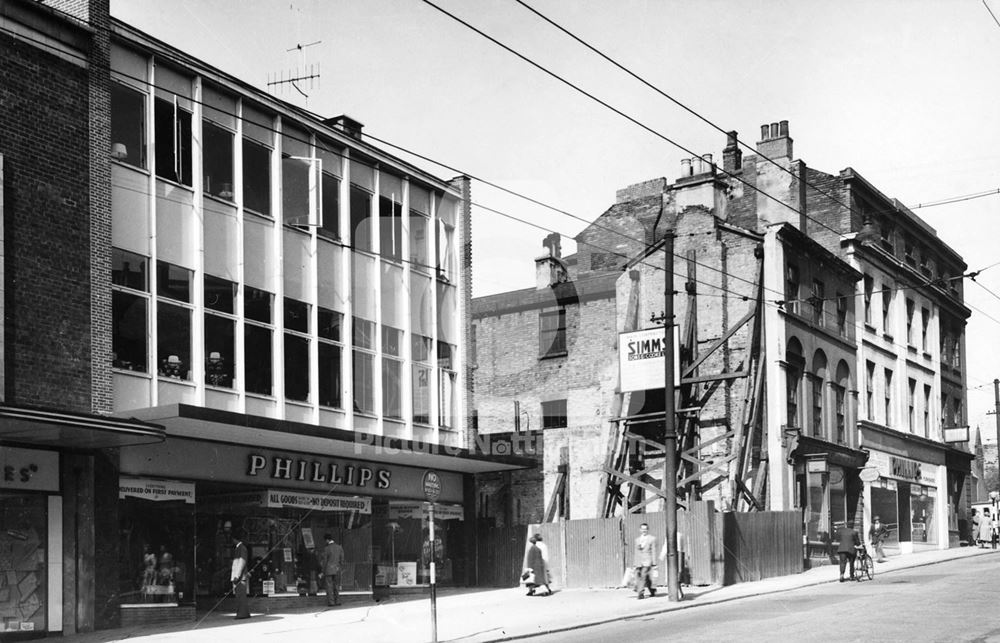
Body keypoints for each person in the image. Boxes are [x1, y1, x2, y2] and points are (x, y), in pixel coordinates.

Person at [319, 533, 345, 606]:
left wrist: (323, 571)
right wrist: (339, 567)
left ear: (327, 540)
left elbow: (325, 561)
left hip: (328, 570)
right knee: (336, 585)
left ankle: (331, 602)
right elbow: (342, 559)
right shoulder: (339, 547)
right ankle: (338, 601)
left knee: (329, 586)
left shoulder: (326, 549)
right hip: (337, 569)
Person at [633, 523, 658, 599]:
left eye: (645, 529)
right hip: (639, 561)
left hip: (647, 560)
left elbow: (653, 551)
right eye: (642, 529)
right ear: (640, 530)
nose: (644, 530)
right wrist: (634, 563)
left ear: (647, 530)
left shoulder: (652, 539)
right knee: (642, 576)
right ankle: (652, 590)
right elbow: (636, 552)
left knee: (643, 575)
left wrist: (654, 562)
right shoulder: (637, 540)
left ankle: (640, 593)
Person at [231, 527, 251, 620]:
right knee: (240, 596)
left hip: (240, 577)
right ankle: (244, 613)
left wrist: (237, 575)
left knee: (240, 596)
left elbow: (242, 562)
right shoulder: (240, 548)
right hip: (240, 576)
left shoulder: (241, 548)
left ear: (235, 539)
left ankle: (242, 614)